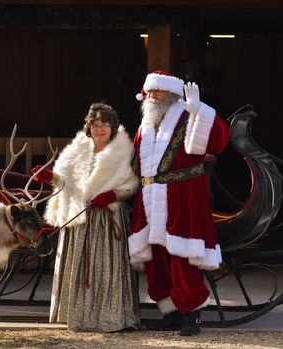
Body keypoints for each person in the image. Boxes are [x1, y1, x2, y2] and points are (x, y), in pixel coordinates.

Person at [129, 70, 230, 336]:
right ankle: (171, 312)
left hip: (181, 196)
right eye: (149, 92)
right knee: (157, 259)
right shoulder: (144, 127)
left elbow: (218, 142)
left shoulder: (188, 118)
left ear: (172, 95)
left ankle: (191, 314)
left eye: (158, 91)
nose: (152, 97)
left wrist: (200, 111)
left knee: (182, 258)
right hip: (150, 197)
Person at [32, 102, 140, 332]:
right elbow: (65, 181)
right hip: (81, 218)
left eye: (104, 125)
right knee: (79, 269)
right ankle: (79, 317)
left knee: (106, 271)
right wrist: (49, 177)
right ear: (88, 126)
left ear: (113, 127)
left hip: (107, 219)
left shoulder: (124, 153)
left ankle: (110, 318)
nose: (99, 129)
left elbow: (132, 186)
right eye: (95, 125)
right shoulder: (76, 151)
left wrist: (112, 194)